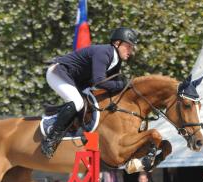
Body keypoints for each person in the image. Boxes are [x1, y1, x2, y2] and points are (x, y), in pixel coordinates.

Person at [41, 27, 138, 159]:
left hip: (76, 81)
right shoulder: (104, 52)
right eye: (128, 46)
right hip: (58, 72)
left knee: (90, 104)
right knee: (78, 102)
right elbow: (99, 82)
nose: (130, 51)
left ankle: (79, 131)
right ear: (117, 43)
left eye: (132, 47)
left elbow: (109, 85)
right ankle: (50, 139)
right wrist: (122, 85)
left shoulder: (116, 61)